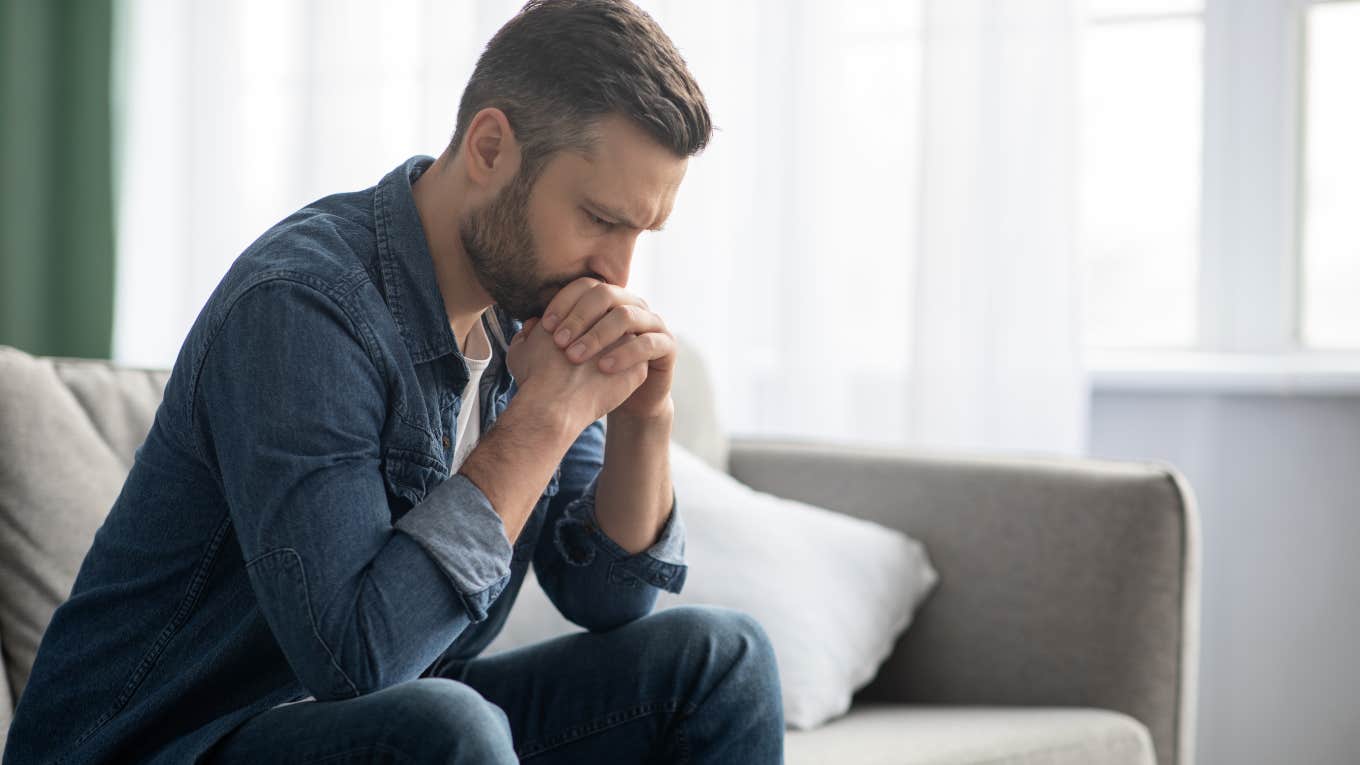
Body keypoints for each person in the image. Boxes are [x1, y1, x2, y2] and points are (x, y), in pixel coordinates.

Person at [2, 1, 784, 762]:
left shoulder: (527, 309)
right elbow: (356, 657)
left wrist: (645, 415)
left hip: (383, 723)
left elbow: (605, 598)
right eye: (598, 218)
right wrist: (545, 418)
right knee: (446, 724)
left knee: (721, 661)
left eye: (640, 233)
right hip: (166, 739)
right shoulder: (304, 306)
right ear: (488, 148)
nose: (617, 272)